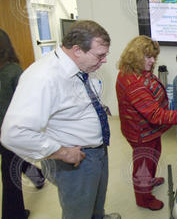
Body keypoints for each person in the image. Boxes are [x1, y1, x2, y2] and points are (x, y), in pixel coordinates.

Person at [1, 21, 120, 219]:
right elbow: (14, 132)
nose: (105, 61)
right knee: (78, 212)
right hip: (74, 160)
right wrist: (61, 151)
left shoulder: (81, 66)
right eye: (100, 55)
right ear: (77, 50)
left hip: (97, 152)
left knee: (95, 206)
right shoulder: (43, 77)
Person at [116, 36, 177, 211]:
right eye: (148, 57)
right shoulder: (134, 83)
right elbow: (156, 115)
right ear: (136, 56)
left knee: (154, 155)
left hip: (149, 131)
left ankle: (149, 180)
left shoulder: (137, 70)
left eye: (154, 57)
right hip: (140, 133)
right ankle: (144, 198)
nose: (152, 61)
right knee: (144, 165)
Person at [0, 28, 46, 219]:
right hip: (9, 128)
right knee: (11, 165)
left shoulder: (11, 71)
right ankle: (15, 214)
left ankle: (15, 213)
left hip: (7, 129)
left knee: (10, 165)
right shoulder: (13, 70)